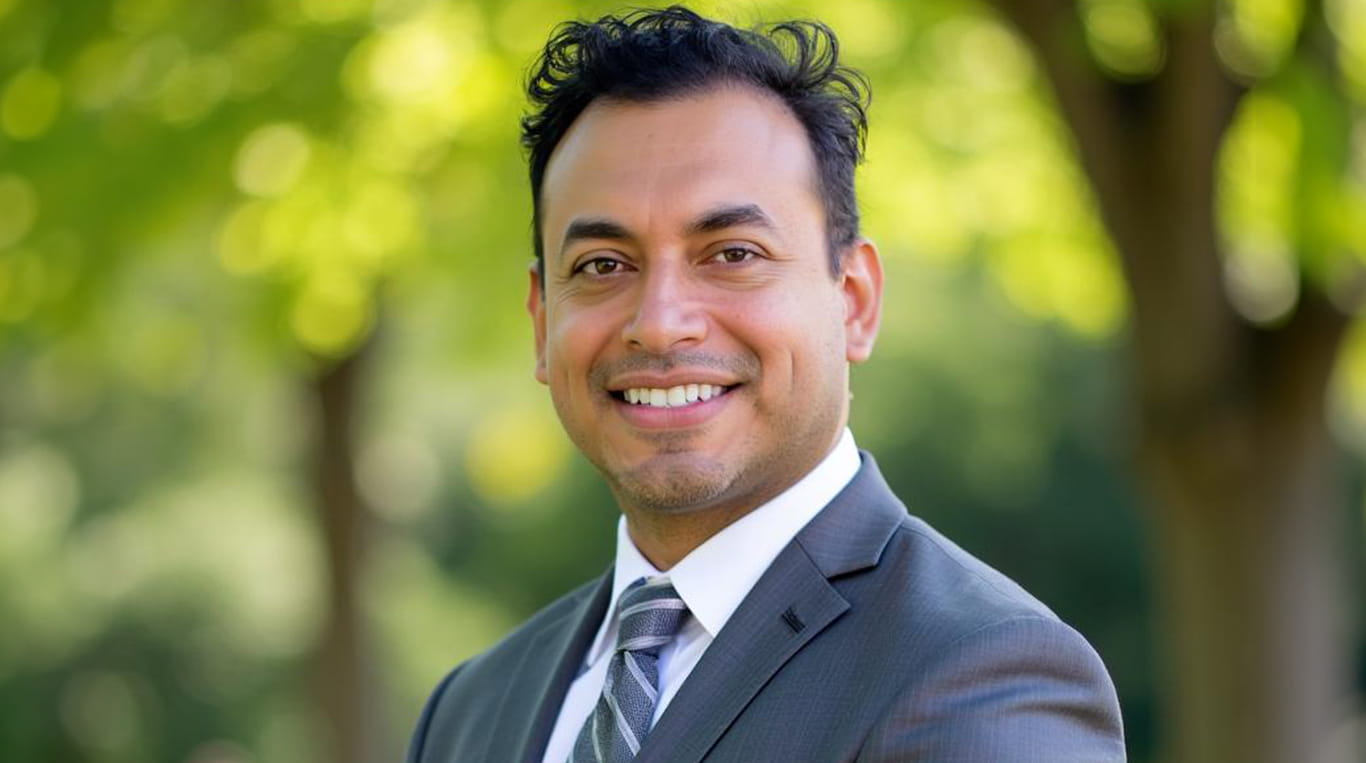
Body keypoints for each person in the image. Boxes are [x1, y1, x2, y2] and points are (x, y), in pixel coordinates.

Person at [406, 6, 1125, 761]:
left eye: (732, 253)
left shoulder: (982, 676)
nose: (659, 323)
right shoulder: (472, 708)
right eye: (602, 266)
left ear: (854, 300)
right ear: (541, 319)